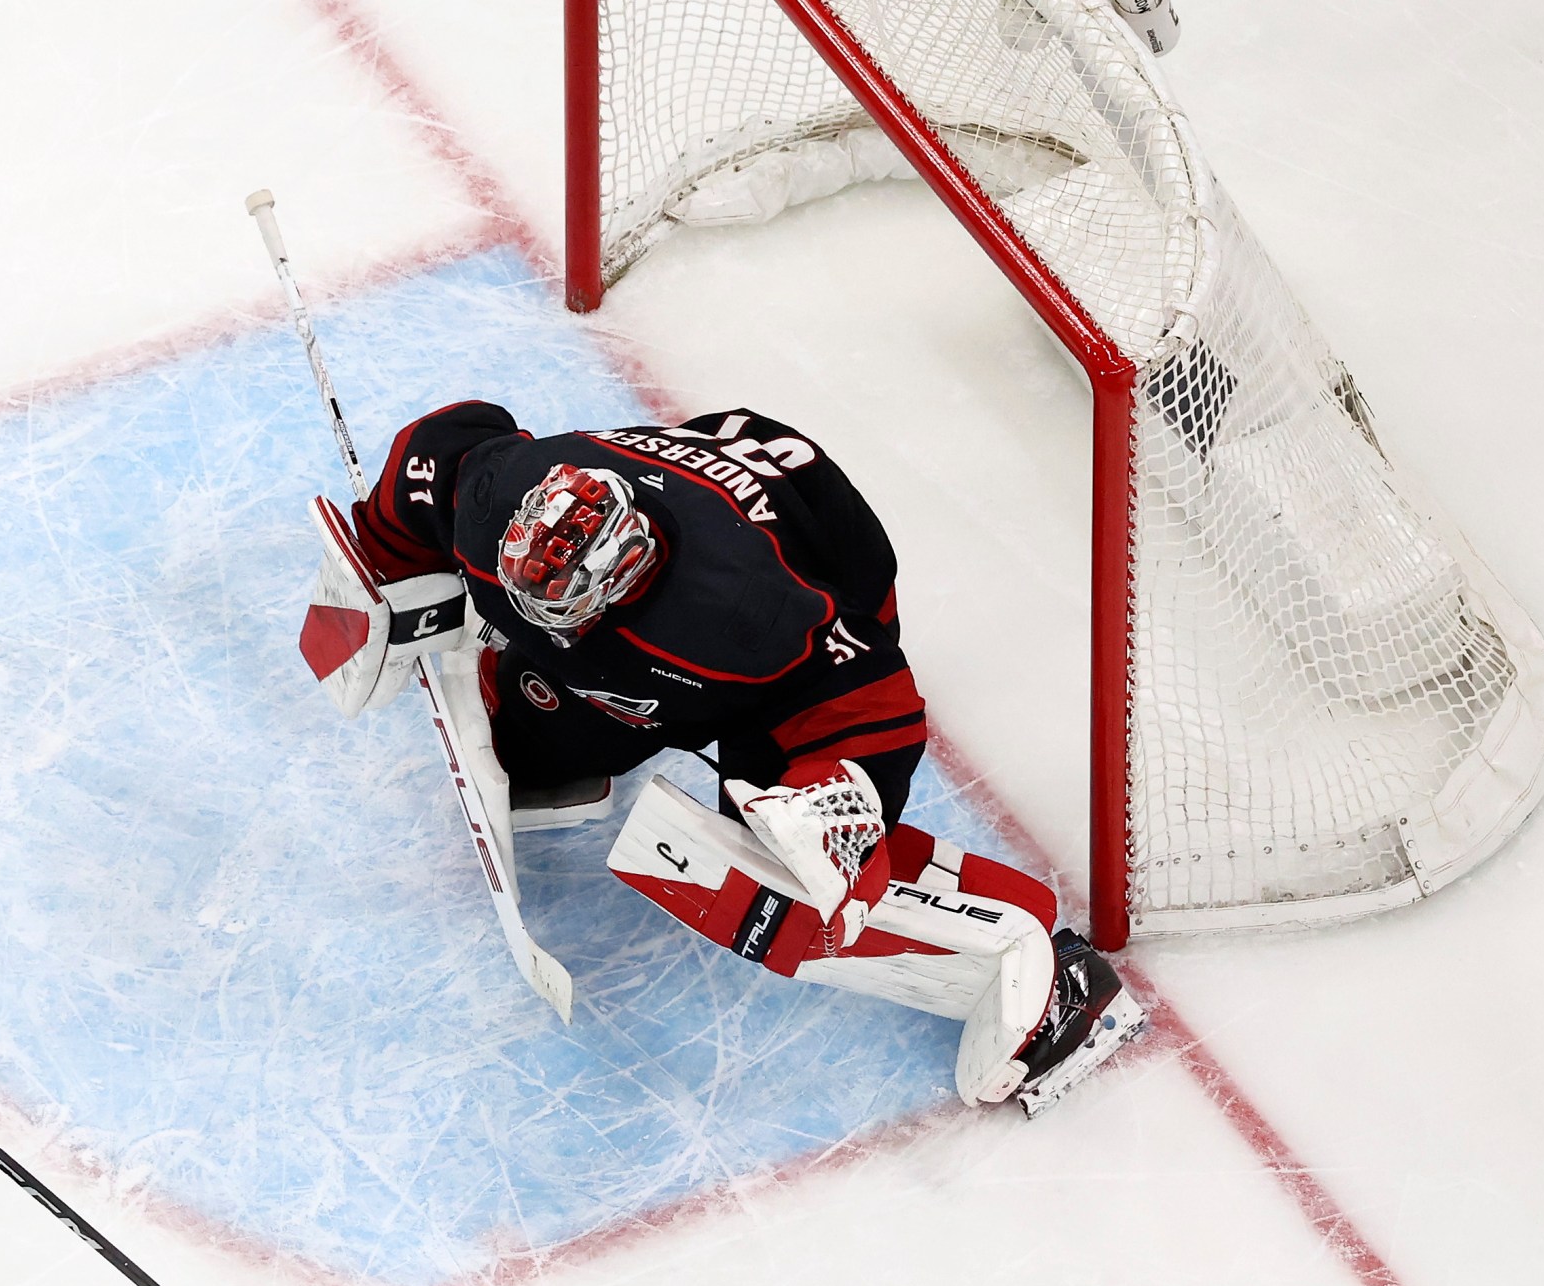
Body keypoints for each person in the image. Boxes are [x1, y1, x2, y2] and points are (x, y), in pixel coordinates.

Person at [299, 400, 1142, 1114]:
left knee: (774, 839)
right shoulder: (502, 500)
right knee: (532, 730)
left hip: (820, 547)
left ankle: (1055, 969)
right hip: (718, 466)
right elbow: (445, 447)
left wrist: (834, 806)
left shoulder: (750, 616)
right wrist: (386, 550)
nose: (539, 616)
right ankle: (576, 720)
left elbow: (874, 701)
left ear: (624, 573)